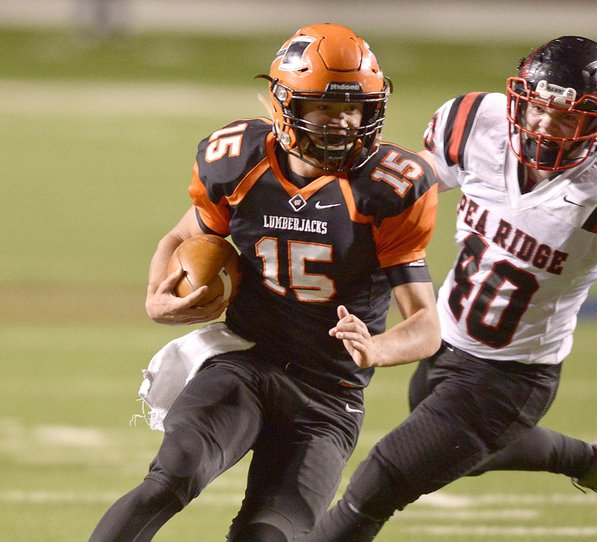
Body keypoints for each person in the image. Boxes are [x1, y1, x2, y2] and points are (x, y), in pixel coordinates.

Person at [300, 36, 597, 541]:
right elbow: (407, 190)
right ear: (518, 101)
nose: (546, 126)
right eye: (538, 110)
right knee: (464, 452)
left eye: (567, 117)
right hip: (445, 340)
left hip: (515, 374)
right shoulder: (476, 127)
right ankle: (596, 463)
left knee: (381, 479)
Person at [89, 23, 440, 542]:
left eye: (355, 108)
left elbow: (426, 325)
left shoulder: (390, 187)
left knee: (270, 535)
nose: (342, 123)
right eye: (323, 107)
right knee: (173, 477)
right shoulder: (239, 160)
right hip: (245, 359)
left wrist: (378, 348)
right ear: (284, 104)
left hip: (329, 392)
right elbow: (183, 236)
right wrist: (156, 297)